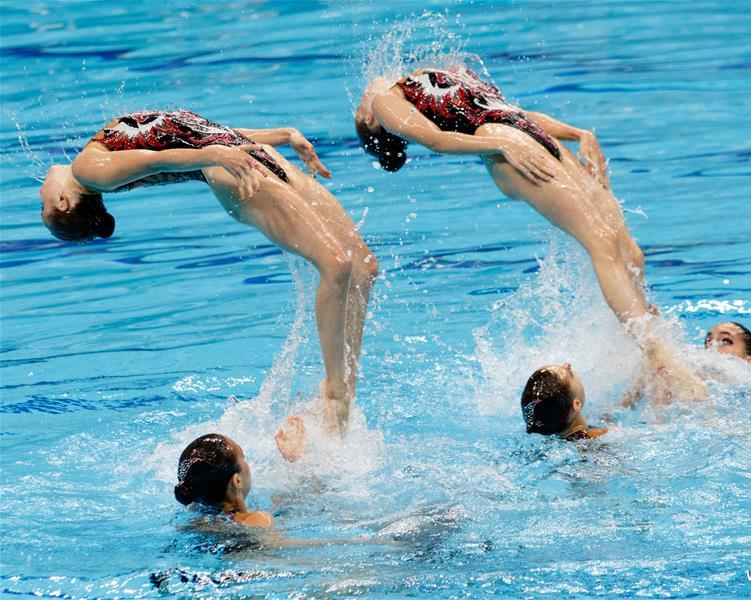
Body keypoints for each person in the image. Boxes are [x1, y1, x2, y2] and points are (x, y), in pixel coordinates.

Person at [356, 65, 706, 401]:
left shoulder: (425, 78)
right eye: (359, 113)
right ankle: (661, 357)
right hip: (504, 147)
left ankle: (648, 365)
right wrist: (502, 146)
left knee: (630, 252)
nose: (360, 102)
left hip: (527, 135)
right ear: (371, 122)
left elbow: (513, 110)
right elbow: (437, 140)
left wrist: (580, 134)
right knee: (601, 242)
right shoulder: (384, 104)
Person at [39, 109, 378, 432]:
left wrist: (283, 135)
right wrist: (218, 156)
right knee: (337, 265)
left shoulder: (99, 153)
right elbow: (161, 158)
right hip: (230, 171)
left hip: (243, 155)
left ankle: (344, 388)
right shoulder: (88, 171)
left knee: (364, 267)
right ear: (63, 203)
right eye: (44, 205)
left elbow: (203, 135)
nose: (41, 192)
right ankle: (336, 394)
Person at [174, 418, 306, 528]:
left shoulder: (195, 513)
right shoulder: (258, 519)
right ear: (237, 480)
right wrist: (296, 458)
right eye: (243, 457)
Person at [521, 364, 610, 441]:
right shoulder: (603, 436)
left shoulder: (548, 438)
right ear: (577, 404)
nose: (567, 365)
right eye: (569, 373)